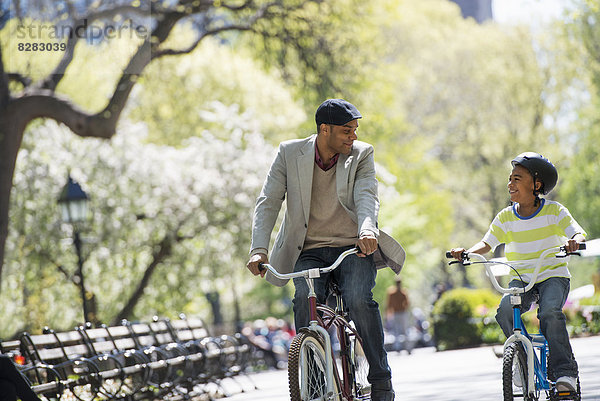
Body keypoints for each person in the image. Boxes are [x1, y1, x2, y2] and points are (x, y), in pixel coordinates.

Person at [246, 99, 405, 401]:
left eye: (355, 130)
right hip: (308, 249)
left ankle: (381, 378)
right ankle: (315, 386)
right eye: (347, 131)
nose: (353, 137)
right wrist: (259, 249)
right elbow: (268, 201)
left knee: (359, 299)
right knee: (303, 304)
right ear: (324, 130)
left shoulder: (361, 155)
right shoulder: (289, 153)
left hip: (352, 247)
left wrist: (367, 229)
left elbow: (366, 195)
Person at [449, 152, 586, 393]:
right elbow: (487, 243)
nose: (510, 184)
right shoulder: (505, 217)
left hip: (552, 274)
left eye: (517, 179)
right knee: (503, 312)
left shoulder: (554, 211)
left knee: (550, 313)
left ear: (536, 185)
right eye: (510, 179)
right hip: (520, 277)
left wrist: (574, 240)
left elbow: (577, 232)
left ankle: (566, 373)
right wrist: (467, 253)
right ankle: (524, 363)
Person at [386, 277, 411, 353]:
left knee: (403, 330)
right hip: (398, 313)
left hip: (401, 313)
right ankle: (399, 347)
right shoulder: (393, 293)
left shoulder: (401, 292)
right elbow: (389, 304)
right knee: (398, 331)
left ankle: (406, 348)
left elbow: (407, 303)